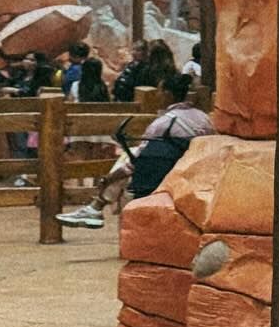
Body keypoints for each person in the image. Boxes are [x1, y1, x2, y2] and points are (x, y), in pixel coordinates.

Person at [57, 69, 215, 229]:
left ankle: (97, 206)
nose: (157, 95)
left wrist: (109, 178)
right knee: (132, 154)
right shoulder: (204, 118)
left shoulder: (163, 124)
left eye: (160, 91)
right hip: (196, 167)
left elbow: (138, 160)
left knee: (130, 157)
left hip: (165, 168)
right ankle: (95, 207)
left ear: (167, 94)